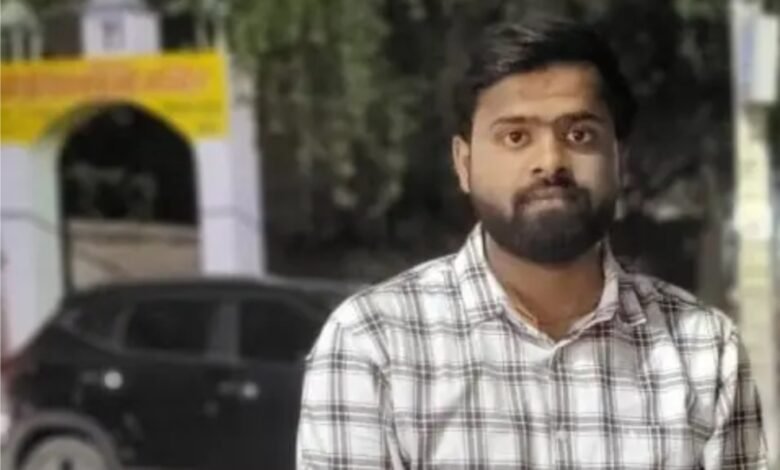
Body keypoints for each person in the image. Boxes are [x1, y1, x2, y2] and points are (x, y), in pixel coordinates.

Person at [296, 18, 768, 469]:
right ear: (464, 164)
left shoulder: (703, 350)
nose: (551, 161)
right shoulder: (374, 344)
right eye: (516, 136)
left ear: (619, 159)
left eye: (579, 134)